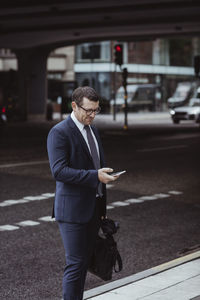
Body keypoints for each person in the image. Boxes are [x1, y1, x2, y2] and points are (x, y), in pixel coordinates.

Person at [47, 86, 118, 300]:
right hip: (72, 212)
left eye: (96, 110)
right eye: (89, 110)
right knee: (76, 264)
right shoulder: (59, 132)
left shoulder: (93, 130)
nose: (93, 115)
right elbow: (59, 171)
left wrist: (102, 209)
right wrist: (95, 176)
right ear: (74, 105)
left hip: (93, 209)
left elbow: (97, 164)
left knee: (85, 262)